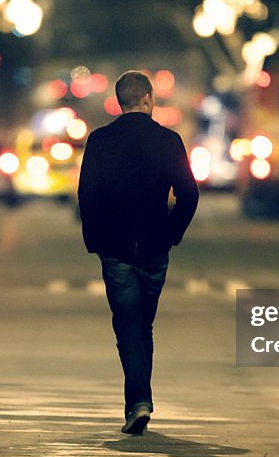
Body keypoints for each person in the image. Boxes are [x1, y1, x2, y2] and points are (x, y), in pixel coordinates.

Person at [78, 70, 199, 435]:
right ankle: (140, 400)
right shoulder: (169, 141)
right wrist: (171, 233)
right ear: (148, 99)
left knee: (128, 323)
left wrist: (95, 239)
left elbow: (88, 195)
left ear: (119, 101)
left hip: (114, 247)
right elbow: (189, 194)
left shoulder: (100, 141)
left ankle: (138, 402)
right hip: (154, 246)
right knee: (142, 323)